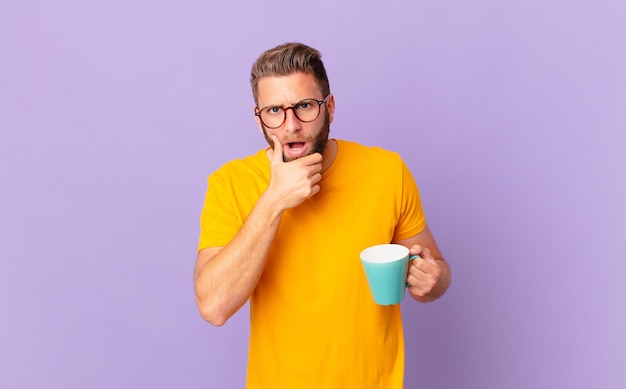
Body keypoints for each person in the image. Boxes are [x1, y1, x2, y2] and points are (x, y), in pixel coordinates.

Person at [194, 42, 451, 388]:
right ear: (259, 119)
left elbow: (435, 274)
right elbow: (213, 307)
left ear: (329, 107)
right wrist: (273, 202)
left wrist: (433, 279)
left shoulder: (387, 171)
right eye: (274, 111)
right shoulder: (231, 183)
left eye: (304, 106)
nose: (291, 125)